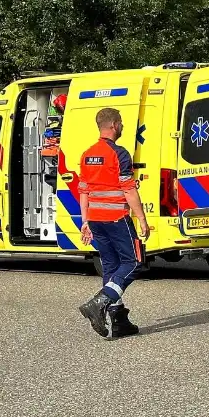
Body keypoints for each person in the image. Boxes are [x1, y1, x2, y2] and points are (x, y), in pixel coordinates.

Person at [77, 108, 150, 339]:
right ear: (114, 125)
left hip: (97, 221)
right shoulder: (119, 154)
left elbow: (84, 191)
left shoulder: (87, 155)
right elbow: (129, 191)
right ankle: (100, 302)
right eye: (122, 124)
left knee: (110, 266)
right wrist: (142, 220)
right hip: (117, 218)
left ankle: (119, 320)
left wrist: (85, 221)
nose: (123, 127)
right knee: (134, 262)